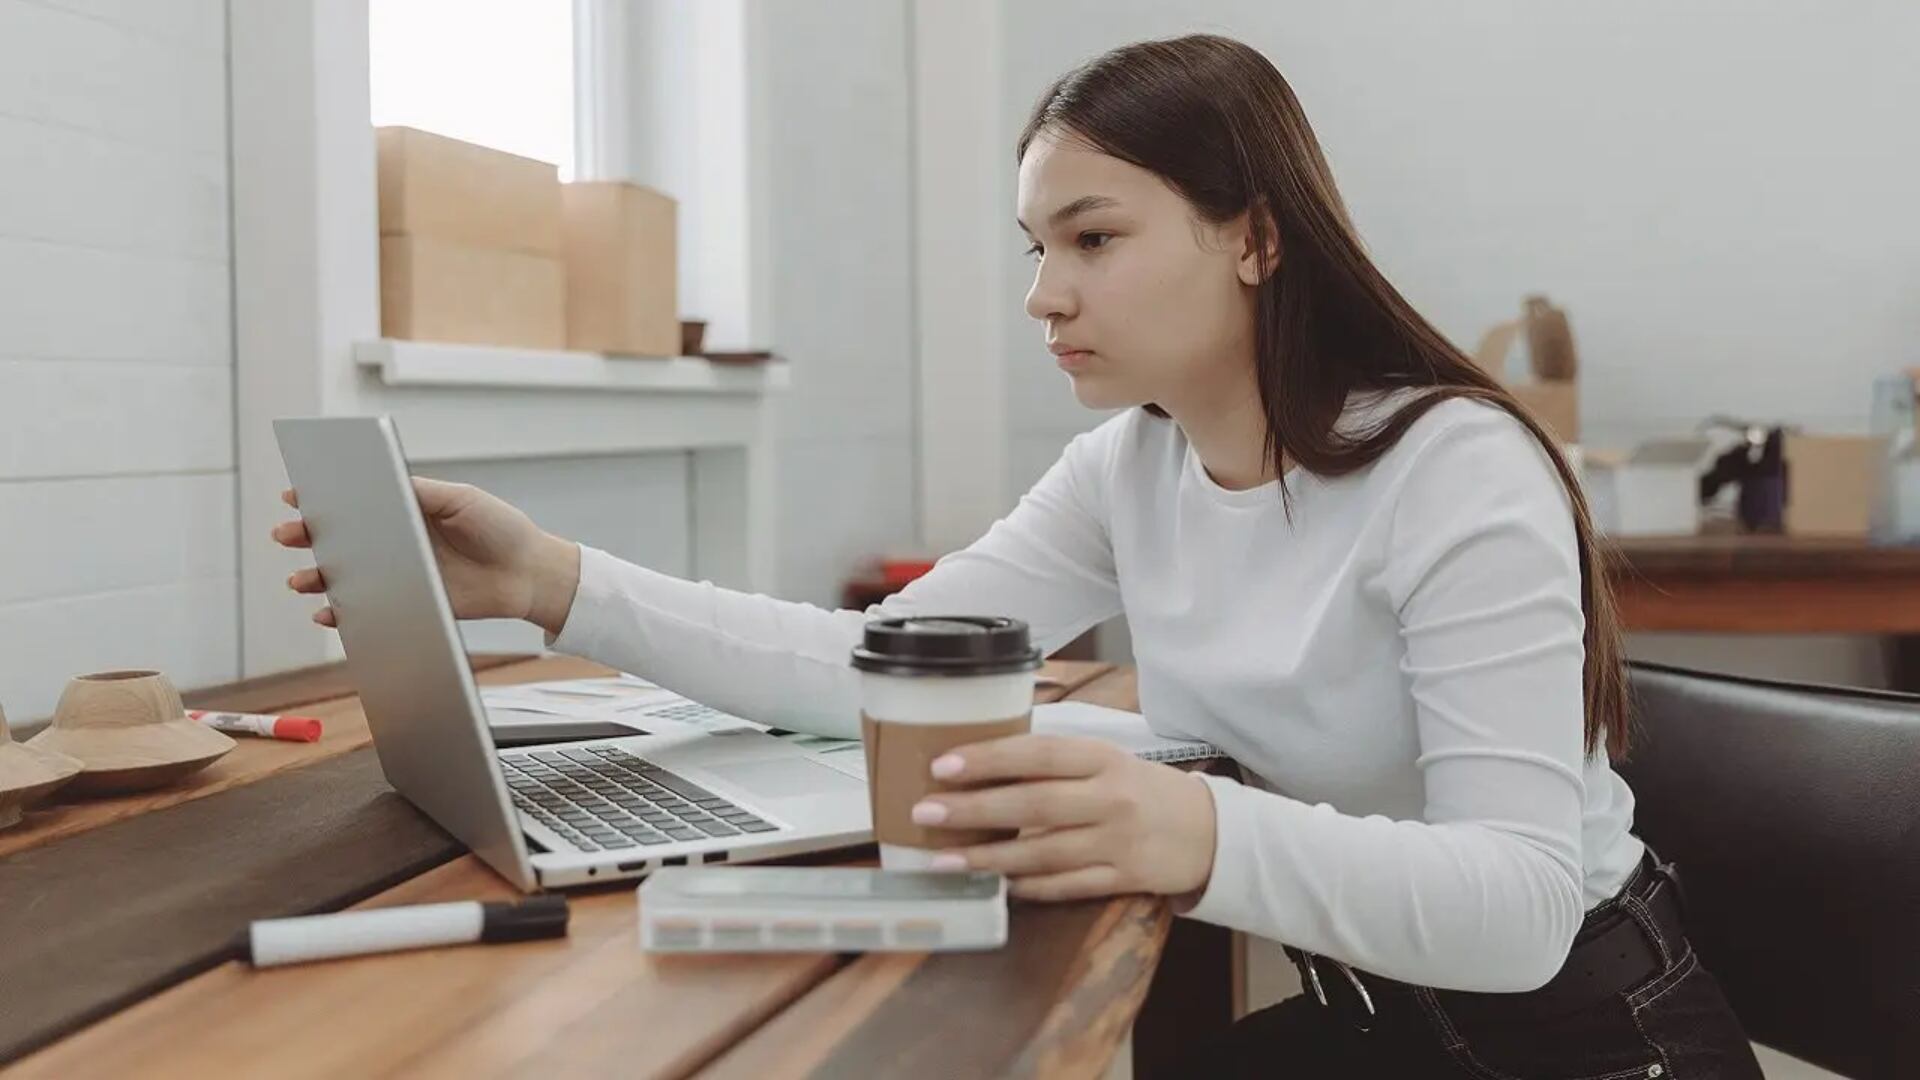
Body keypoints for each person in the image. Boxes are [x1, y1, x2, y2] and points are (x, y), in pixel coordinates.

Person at [276, 33, 1765, 1077]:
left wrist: (1186, 834)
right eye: (1031, 246)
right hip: (1382, 1019)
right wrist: (552, 582)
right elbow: (871, 664)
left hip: (1589, 1041)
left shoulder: (1453, 469)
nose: (1044, 295)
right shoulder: (1134, 463)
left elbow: (1512, 909)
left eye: (1093, 238)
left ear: (1254, 236)